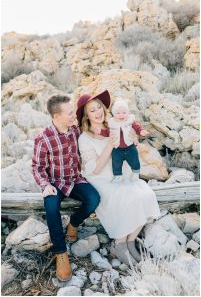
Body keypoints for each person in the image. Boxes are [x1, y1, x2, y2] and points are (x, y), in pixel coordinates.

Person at [76, 90, 161, 265]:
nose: (98, 112)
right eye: (92, 110)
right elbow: (95, 169)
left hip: (120, 173)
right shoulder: (85, 138)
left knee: (146, 195)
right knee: (125, 198)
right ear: (86, 116)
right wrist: (109, 144)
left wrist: (134, 139)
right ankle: (119, 244)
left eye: (99, 107)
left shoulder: (113, 126)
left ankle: (130, 241)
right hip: (100, 179)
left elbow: (129, 148)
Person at [32, 95, 101, 282]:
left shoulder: (75, 131)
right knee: (51, 207)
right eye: (70, 113)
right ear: (56, 116)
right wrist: (45, 185)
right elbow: (37, 167)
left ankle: (74, 223)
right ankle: (60, 252)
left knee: (94, 199)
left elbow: (94, 135)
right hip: (54, 182)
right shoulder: (43, 138)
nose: (74, 115)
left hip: (75, 179)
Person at [92, 98, 149, 183]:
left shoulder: (130, 121)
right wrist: (100, 131)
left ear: (128, 113)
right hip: (117, 148)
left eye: (124, 113)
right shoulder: (112, 123)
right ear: (114, 113)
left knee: (134, 159)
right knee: (116, 162)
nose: (121, 115)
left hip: (130, 146)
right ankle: (118, 175)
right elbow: (107, 132)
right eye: (117, 113)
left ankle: (135, 172)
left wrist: (141, 131)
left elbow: (137, 127)